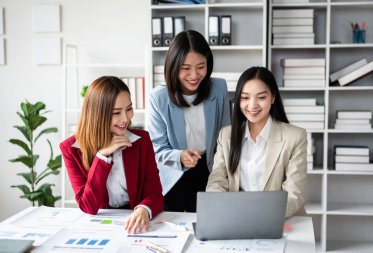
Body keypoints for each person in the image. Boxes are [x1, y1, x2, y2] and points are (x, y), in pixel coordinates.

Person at [60, 76, 164, 234]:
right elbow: (88, 206)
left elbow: (155, 194)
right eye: (116, 112)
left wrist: (143, 209)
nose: (126, 118)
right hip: (101, 227)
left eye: (129, 109)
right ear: (96, 114)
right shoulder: (71, 149)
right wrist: (102, 156)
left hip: (138, 225)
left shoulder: (141, 141)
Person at [206, 66, 307, 218]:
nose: (252, 105)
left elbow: (294, 194)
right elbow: (216, 182)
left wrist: (260, 216)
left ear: (273, 97)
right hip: (236, 218)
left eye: (261, 97)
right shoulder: (226, 135)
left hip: (280, 219)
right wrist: (226, 211)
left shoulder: (295, 137)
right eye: (245, 98)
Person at [148, 30, 231, 212]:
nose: (194, 75)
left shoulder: (219, 88)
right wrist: (179, 156)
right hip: (174, 174)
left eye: (201, 67)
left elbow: (226, 137)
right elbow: (156, 149)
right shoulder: (158, 98)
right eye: (185, 68)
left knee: (208, 226)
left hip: (209, 168)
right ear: (173, 66)